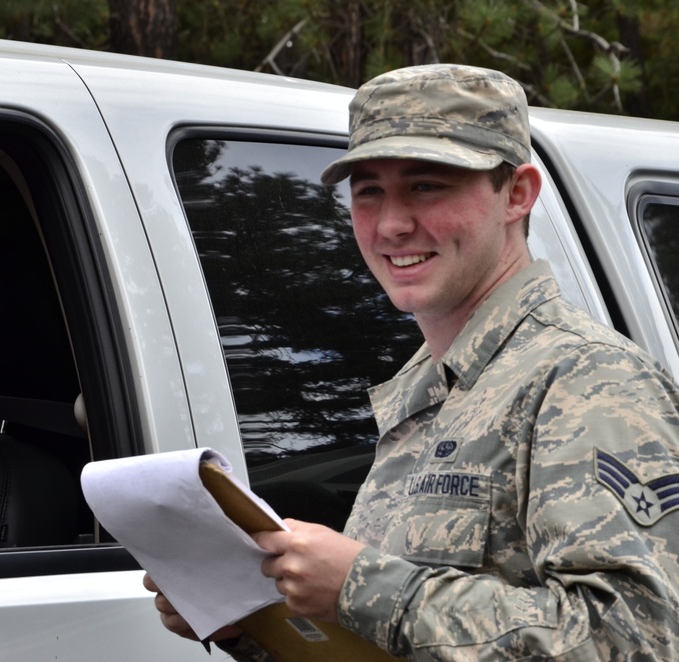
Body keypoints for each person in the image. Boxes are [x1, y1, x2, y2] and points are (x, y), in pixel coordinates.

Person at [146, 64, 679, 660]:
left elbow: (637, 637)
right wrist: (247, 620)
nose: (392, 224)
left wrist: (361, 586)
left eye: (426, 186)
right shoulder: (429, 390)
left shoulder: (588, 380)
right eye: (368, 191)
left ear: (518, 194)